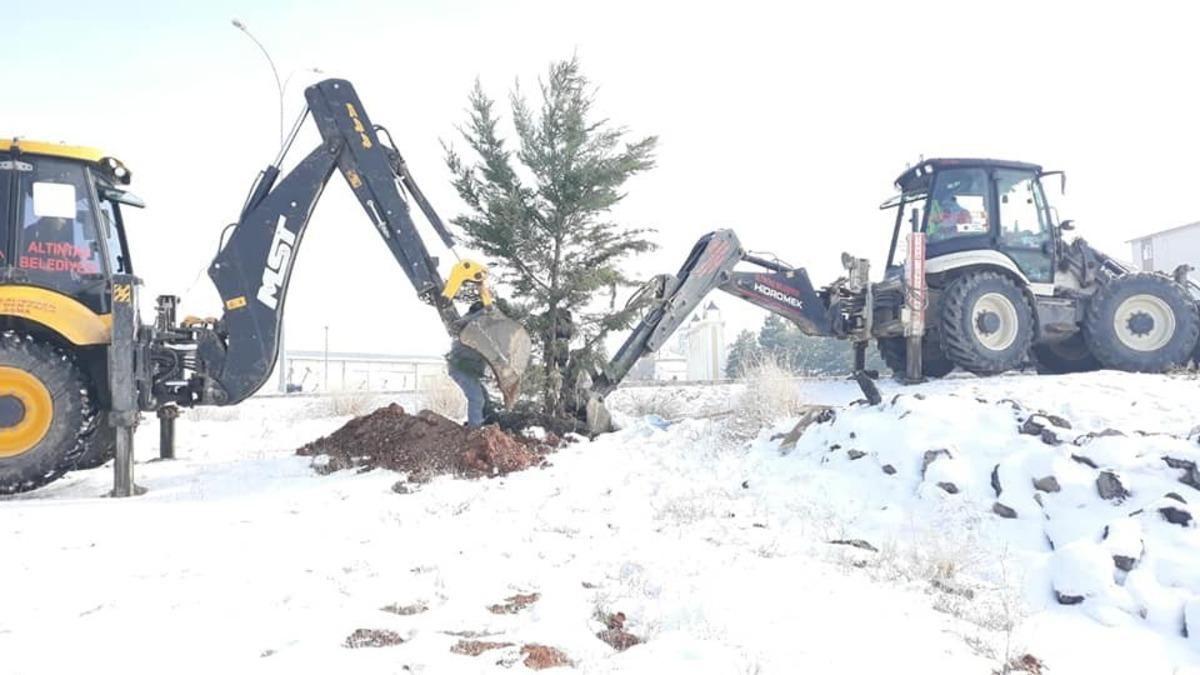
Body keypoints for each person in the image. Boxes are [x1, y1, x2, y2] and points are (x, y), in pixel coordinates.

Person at [446, 302, 489, 428]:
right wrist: (487, 309)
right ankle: (474, 429)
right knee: (477, 398)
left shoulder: (468, 324)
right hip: (461, 368)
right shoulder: (472, 324)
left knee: (482, 398)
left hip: (464, 368)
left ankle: (477, 424)